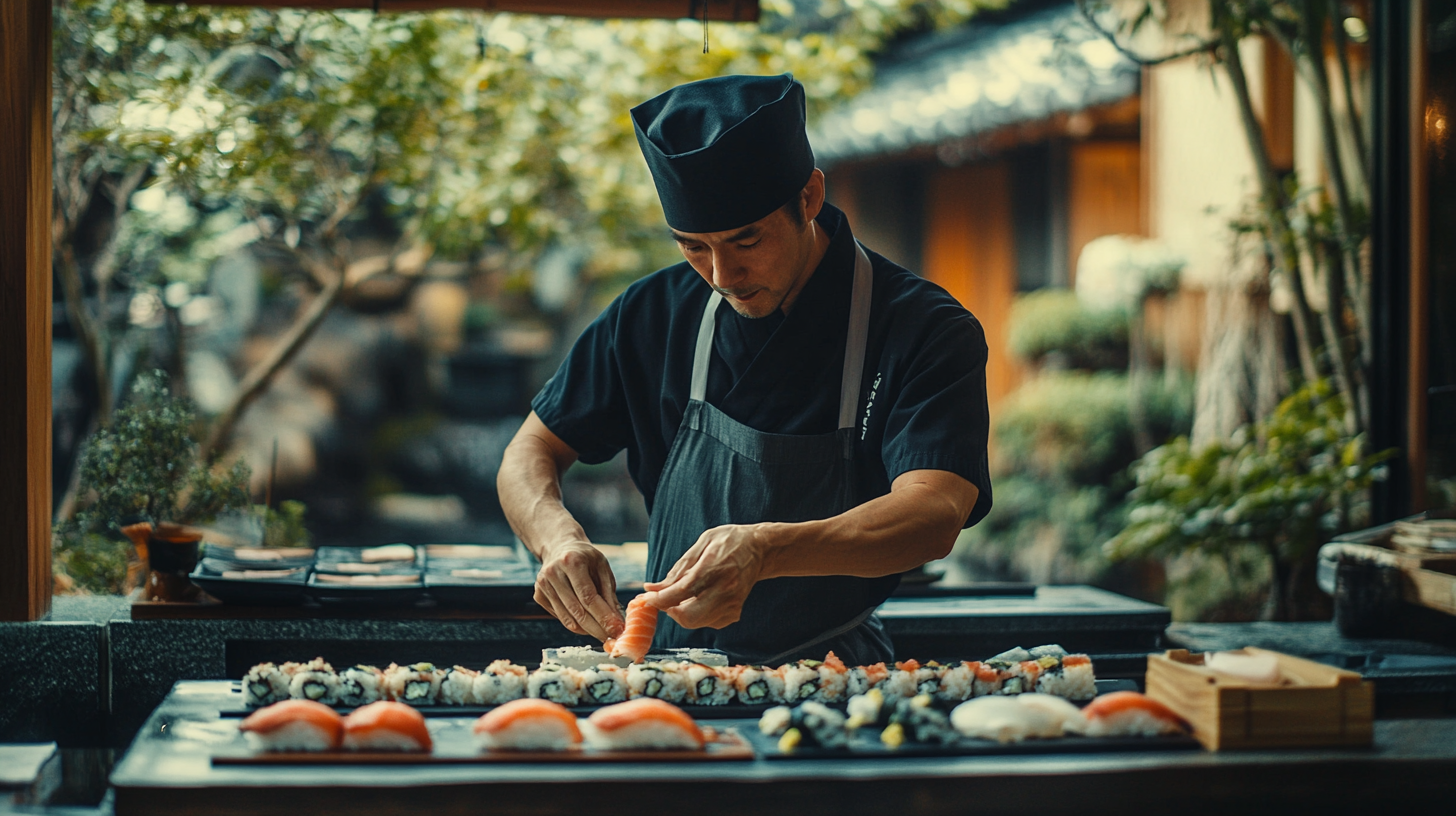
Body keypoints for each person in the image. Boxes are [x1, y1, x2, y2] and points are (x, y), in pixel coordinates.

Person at [497, 74, 991, 666]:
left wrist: (766, 549)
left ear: (808, 198)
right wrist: (558, 539)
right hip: (663, 673)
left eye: (746, 240)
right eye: (693, 246)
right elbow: (530, 449)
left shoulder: (922, 327)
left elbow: (933, 513)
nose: (722, 275)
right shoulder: (653, 312)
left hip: (833, 676)